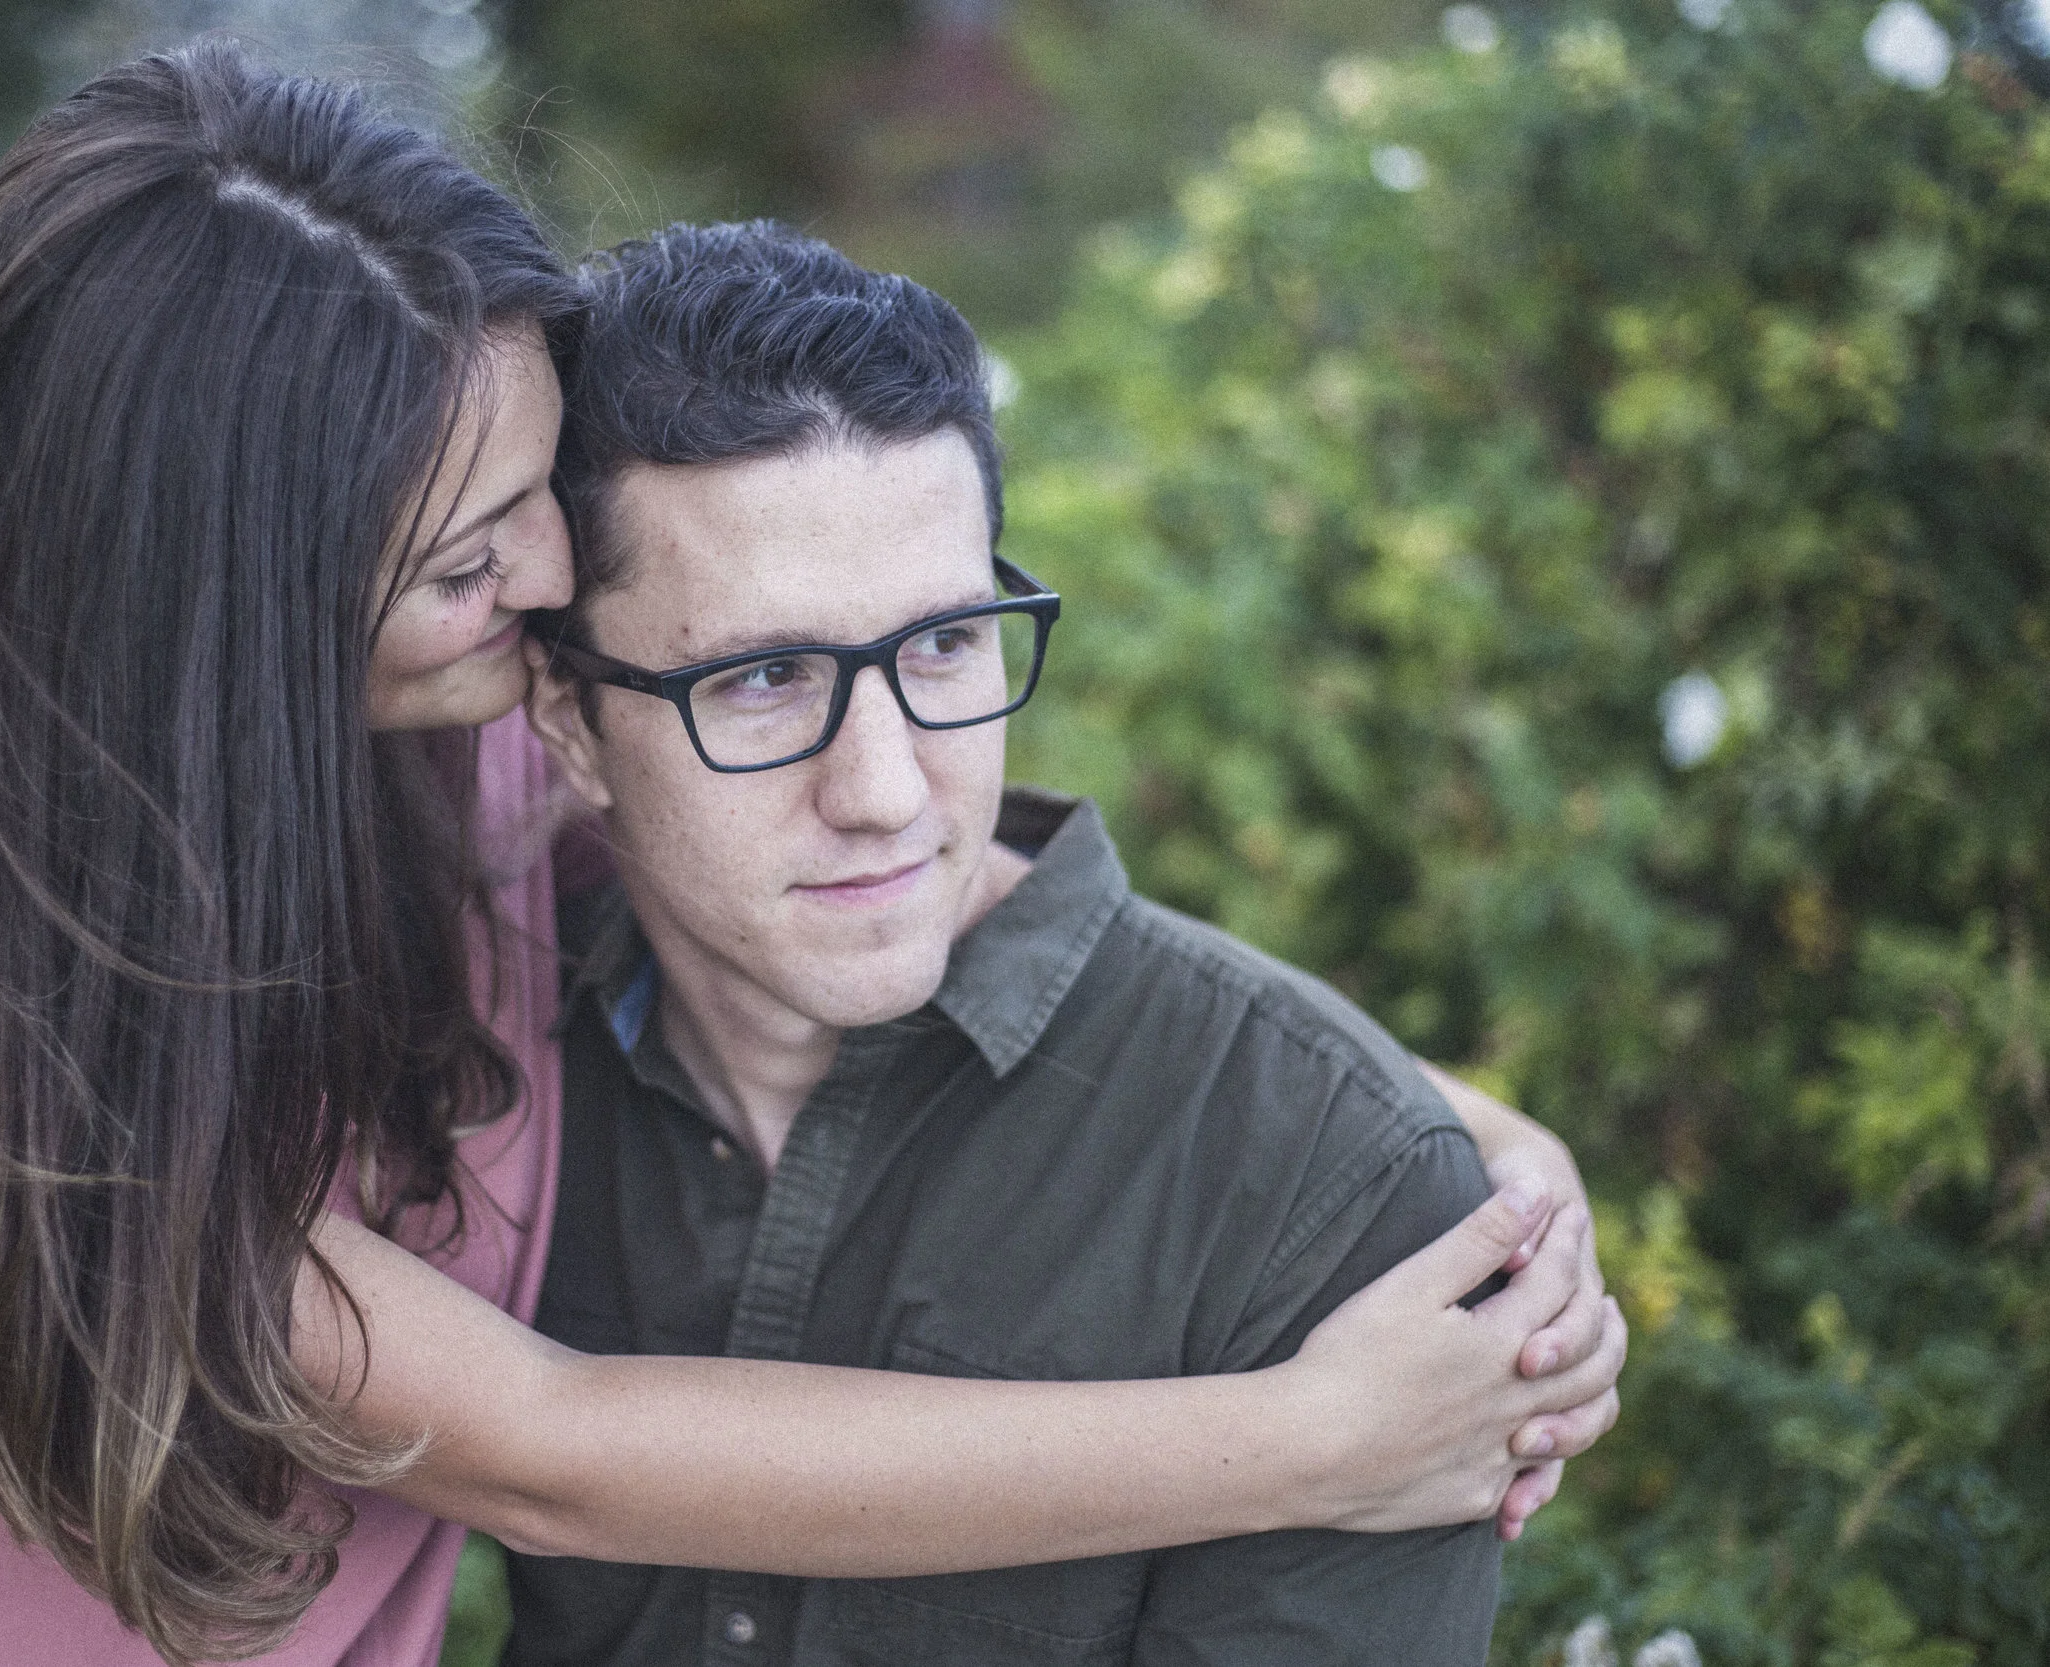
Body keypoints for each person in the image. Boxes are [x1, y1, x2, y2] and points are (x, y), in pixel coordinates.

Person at [0, 47, 1621, 1667]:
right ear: (220, 612)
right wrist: (1314, 1437)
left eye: (536, 486)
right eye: (467, 556)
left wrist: (1437, 1148)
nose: (549, 577)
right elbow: (553, 1449)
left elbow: (876, 855)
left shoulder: (432, 755)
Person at [494, 220, 1591, 1667]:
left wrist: (1393, 1123)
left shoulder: (1339, 1198)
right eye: (763, 678)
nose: (885, 790)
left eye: (945, 645)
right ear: (569, 722)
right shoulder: (469, 1048)